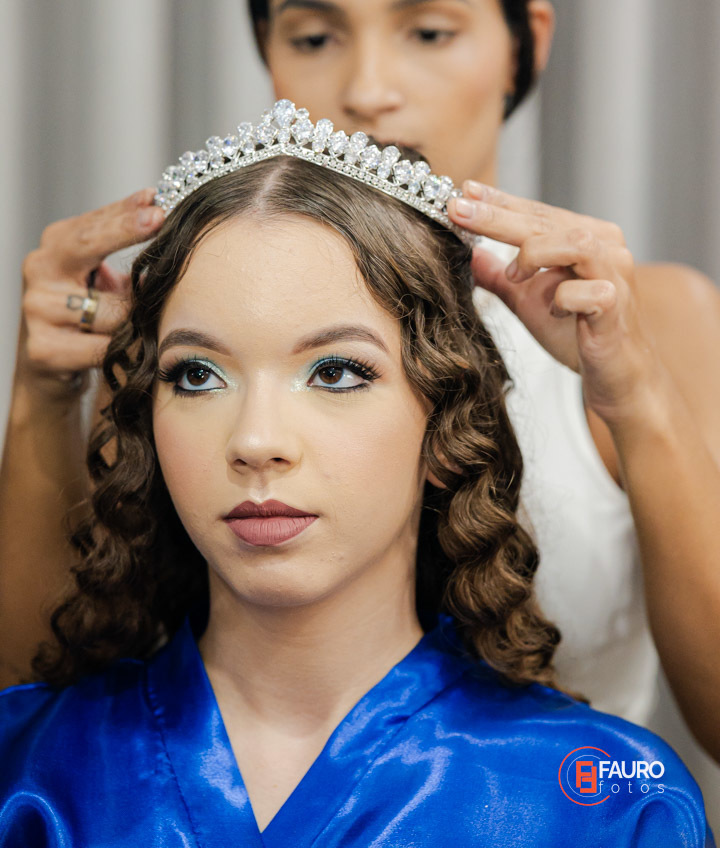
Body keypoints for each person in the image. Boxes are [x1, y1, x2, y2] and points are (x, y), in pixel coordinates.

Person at [3, 0, 720, 758]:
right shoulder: (195, 328)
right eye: (314, 37)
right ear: (266, 47)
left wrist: (633, 394)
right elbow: (39, 720)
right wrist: (44, 396)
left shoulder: (661, 323)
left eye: (428, 30)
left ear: (525, 42)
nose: (369, 89)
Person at [0, 114, 712, 844]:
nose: (256, 441)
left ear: (446, 426)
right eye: (198, 374)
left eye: (336, 372)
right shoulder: (27, 773)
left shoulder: (612, 803)